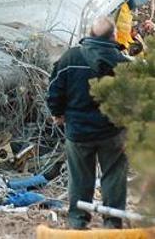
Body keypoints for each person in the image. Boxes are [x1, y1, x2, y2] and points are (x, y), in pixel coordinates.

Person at [47, 16, 130, 229]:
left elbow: (54, 91)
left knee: (80, 177)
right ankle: (113, 223)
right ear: (113, 36)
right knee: (113, 176)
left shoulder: (70, 58)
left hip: (78, 132)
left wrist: (58, 114)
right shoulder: (122, 63)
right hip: (112, 132)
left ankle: (77, 221)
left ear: (90, 34)